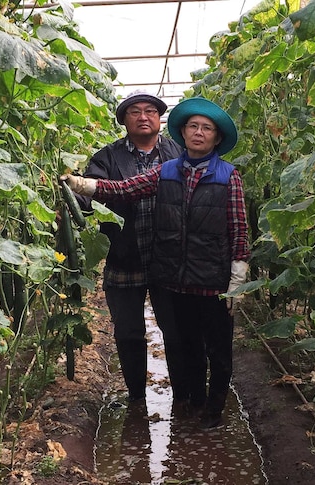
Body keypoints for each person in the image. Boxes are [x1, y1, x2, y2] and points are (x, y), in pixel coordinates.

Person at [64, 97, 251, 429]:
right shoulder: (160, 168)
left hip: (206, 275)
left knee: (210, 347)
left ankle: (210, 410)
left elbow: (238, 227)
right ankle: (177, 400)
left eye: (206, 128)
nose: (198, 132)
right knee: (165, 338)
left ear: (216, 137)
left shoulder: (225, 175)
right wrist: (82, 186)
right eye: (193, 126)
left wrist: (238, 274)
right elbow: (124, 189)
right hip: (159, 268)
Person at [80, 90, 184, 404]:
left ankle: (182, 395)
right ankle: (137, 397)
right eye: (135, 112)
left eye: (150, 111)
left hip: (170, 259)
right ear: (124, 120)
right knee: (128, 334)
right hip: (124, 258)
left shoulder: (178, 153)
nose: (143, 117)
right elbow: (89, 190)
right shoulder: (107, 157)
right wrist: (76, 199)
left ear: (159, 118)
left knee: (176, 332)